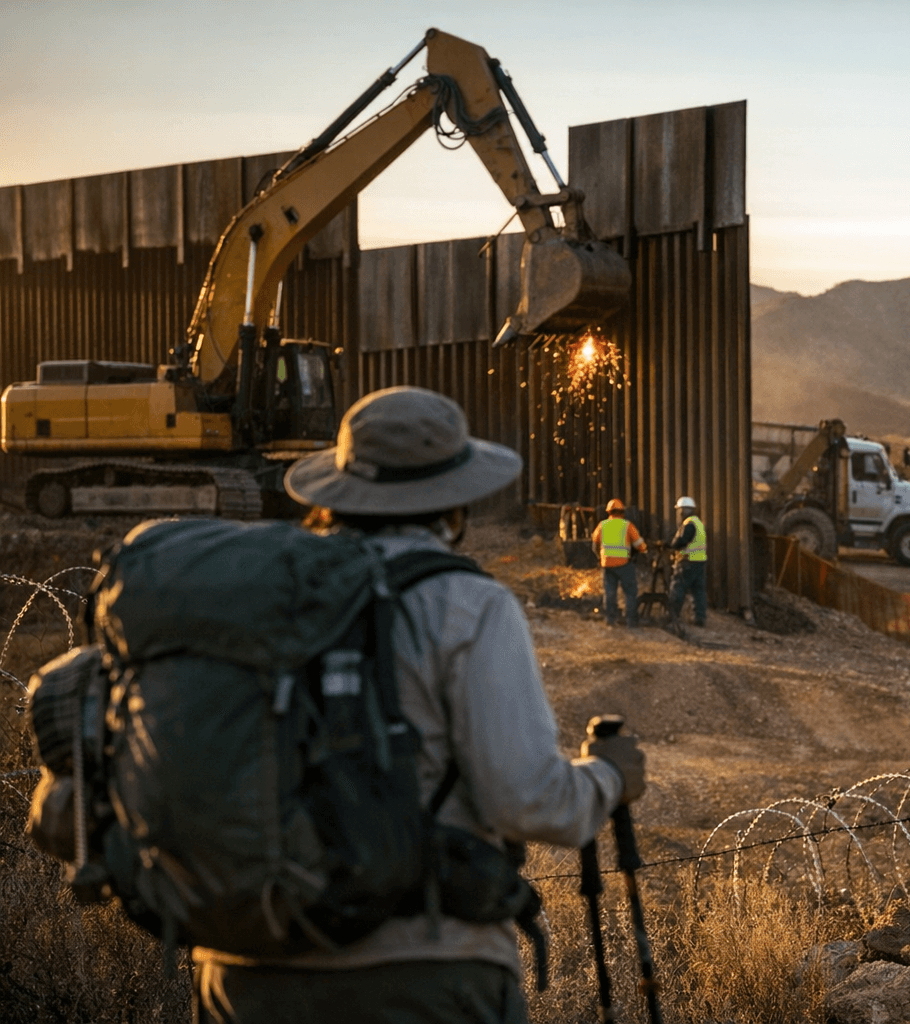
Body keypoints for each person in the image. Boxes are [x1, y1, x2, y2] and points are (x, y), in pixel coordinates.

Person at [194, 386, 646, 1024]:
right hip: (418, 972)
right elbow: (525, 799)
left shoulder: (255, 597)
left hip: (243, 971)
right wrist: (608, 778)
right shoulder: (466, 604)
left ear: (340, 491)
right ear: (454, 501)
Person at [591, 498, 647, 628]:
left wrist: (600, 557)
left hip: (607, 564)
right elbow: (640, 545)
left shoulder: (602, 525)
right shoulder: (627, 525)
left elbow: (594, 546)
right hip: (624, 564)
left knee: (610, 592)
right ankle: (631, 621)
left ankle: (610, 620)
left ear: (609, 512)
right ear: (622, 512)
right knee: (630, 592)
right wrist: (644, 550)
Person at [667, 495, 708, 632]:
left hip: (687, 562)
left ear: (684, 510)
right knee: (699, 591)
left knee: (678, 587)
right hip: (699, 562)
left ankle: (672, 616)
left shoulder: (689, 524)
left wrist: (671, 544)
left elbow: (681, 541)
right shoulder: (698, 523)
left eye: (679, 510)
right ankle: (700, 618)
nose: (678, 513)